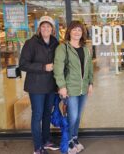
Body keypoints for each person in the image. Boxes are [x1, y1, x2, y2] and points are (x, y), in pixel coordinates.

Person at [19, 16, 59, 154]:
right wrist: (43, 67)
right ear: (39, 28)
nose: (46, 29)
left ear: (52, 29)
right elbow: (23, 64)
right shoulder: (31, 43)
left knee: (47, 114)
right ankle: (37, 147)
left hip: (50, 85)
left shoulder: (55, 43)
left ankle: (46, 140)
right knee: (37, 115)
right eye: (43, 26)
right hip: (36, 87)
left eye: (48, 26)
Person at [54, 21, 93, 154]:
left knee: (78, 116)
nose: (77, 32)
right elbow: (58, 69)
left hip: (83, 88)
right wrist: (62, 87)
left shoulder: (85, 48)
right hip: (70, 88)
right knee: (73, 116)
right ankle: (69, 141)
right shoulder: (63, 48)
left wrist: (90, 83)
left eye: (80, 30)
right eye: (74, 30)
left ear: (83, 33)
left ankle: (75, 139)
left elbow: (89, 68)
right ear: (69, 31)